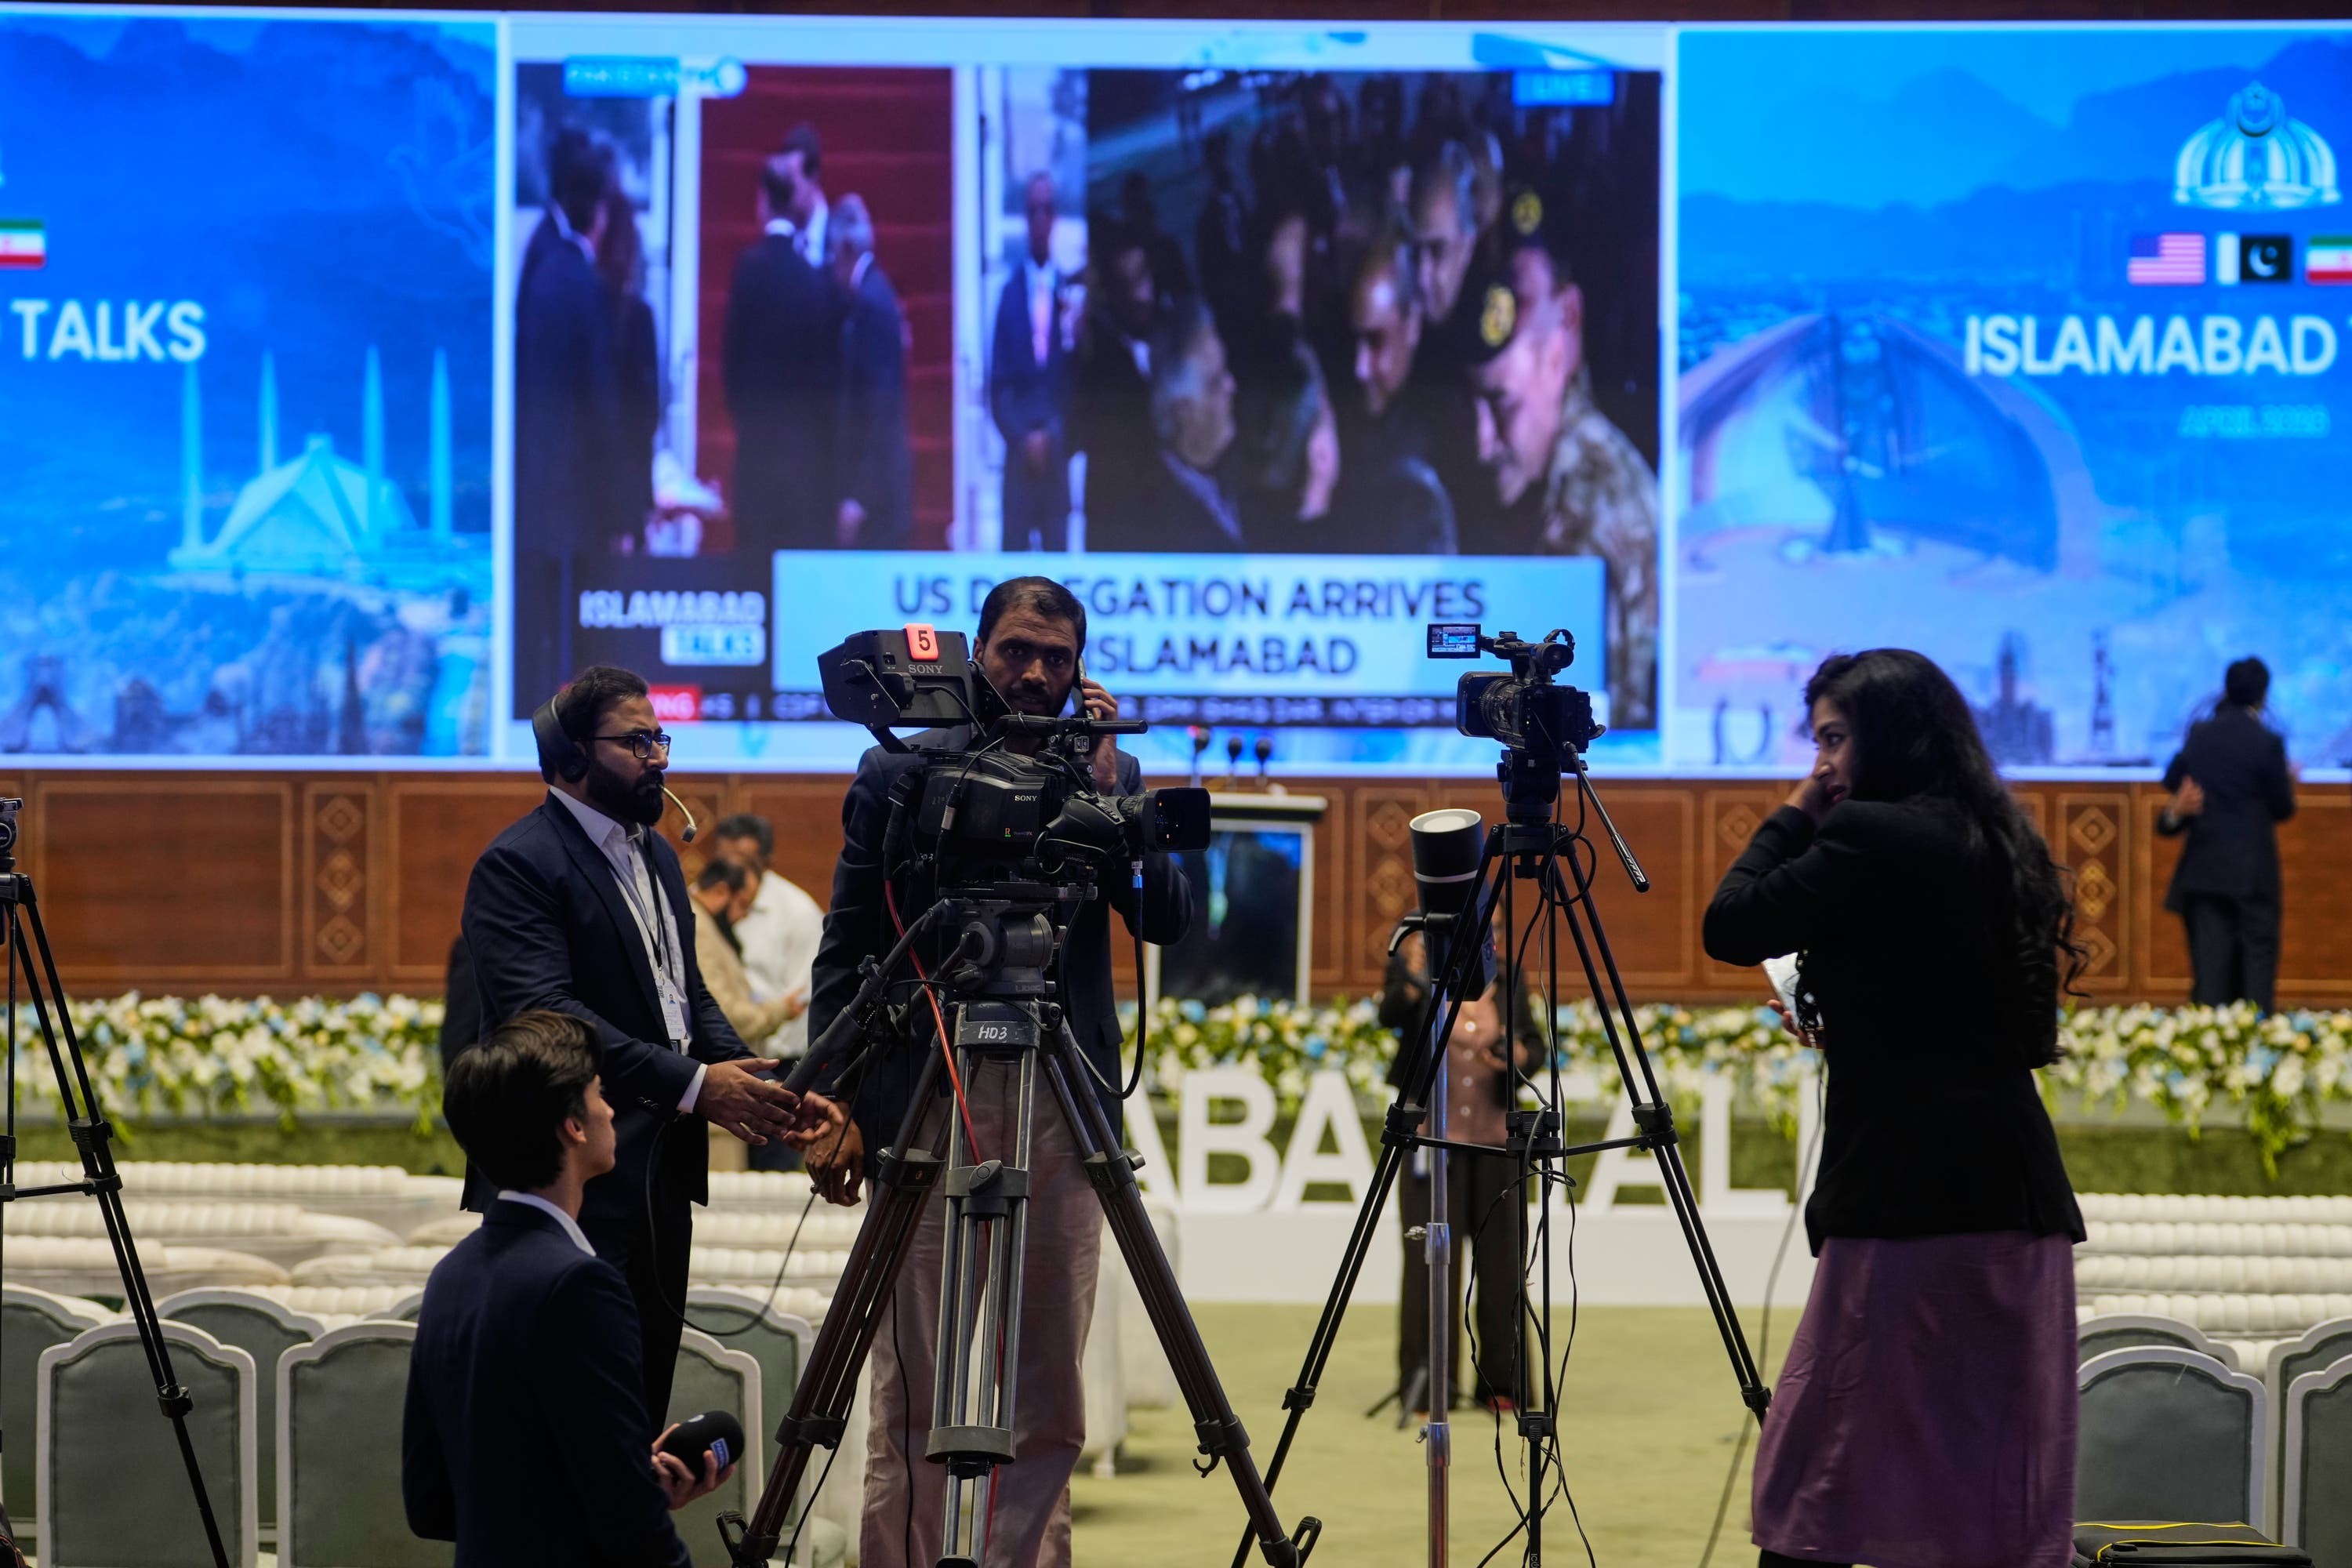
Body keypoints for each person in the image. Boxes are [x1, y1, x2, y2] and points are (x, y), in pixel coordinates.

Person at [792, 577, 1192, 1568]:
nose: (1036, 673)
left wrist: (1107, 782)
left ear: (1081, 669)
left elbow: (1169, 916)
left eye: (1057, 657)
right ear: (980, 651)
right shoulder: (902, 771)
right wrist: (829, 1092)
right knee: (913, 1389)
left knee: (1048, 1385)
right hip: (928, 1084)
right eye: (1017, 650)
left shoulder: (1106, 768)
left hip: (1063, 1091)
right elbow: (846, 947)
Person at [1703, 648, 2085, 1568]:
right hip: (2012, 1205)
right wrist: (1847, 1013)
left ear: (1888, 733)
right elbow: (1943, 1001)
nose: (1822, 761)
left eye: (1834, 739)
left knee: (1814, 1489)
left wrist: (1796, 811)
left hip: (1911, 1207)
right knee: (1989, 1496)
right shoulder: (1993, 834)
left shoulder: (1869, 832)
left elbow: (1732, 923)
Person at [460, 665, 797, 1423]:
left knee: (639, 1408)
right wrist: (694, 1084)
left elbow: (683, 996)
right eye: (636, 742)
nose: (659, 758)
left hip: (657, 1177)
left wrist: (746, 1075)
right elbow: (545, 1013)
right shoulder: (519, 863)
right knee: (571, 1421)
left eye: (660, 738)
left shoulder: (658, 857)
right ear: (572, 755)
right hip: (566, 1175)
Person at [403, 1011, 732, 1563]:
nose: (609, 1109)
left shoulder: (451, 1273)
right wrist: (626, 1488)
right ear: (573, 1126)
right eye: (600, 1093)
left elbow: (432, 1504)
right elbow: (633, 1530)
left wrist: (628, 1475)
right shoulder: (581, 1286)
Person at [1461, 224, 1659, 728]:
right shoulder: (1543, 477)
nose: (1482, 443)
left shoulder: (1589, 508)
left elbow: (1607, 730)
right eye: (1473, 404)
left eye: (1502, 405)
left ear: (1556, 360)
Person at [1377, 939, 1544, 1418]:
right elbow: (1390, 1016)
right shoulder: (1414, 962)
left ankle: (1501, 1384)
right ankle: (1430, 1383)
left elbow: (1533, 1046)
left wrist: (1513, 1054)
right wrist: (1412, 979)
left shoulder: (1507, 975)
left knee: (1501, 1267)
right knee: (1431, 1264)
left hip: (1496, 1140)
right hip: (1430, 1142)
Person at [514, 128, 624, 708]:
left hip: (540, 488)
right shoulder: (575, 279)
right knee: (557, 651)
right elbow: (601, 407)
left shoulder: (540, 255)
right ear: (596, 209)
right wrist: (624, 502)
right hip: (565, 497)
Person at [724, 125, 843, 554]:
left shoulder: (746, 270)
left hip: (755, 464)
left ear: (761, 201)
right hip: (803, 473)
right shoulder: (814, 282)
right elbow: (825, 382)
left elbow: (731, 370)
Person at [2159, 657, 2297, 1011]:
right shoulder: (2267, 742)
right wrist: (2286, 781)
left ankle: (2209, 1055)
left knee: (2210, 981)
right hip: (2253, 876)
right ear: (2263, 695)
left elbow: (2172, 778)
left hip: (2204, 872)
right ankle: (2253, 1055)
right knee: (2256, 976)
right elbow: (2283, 809)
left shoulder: (2201, 735)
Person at [1335, 235, 1457, 554]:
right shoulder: (1335, 415)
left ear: (1412, 324)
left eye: (1376, 341)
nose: (1359, 368)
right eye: (1353, 341)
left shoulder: (1454, 432)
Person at [1116, 297, 1241, 552]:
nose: (1231, 385)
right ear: (1184, 411)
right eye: (1216, 381)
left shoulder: (1233, 478)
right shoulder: (1155, 509)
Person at [991, 172, 1075, 552]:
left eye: (1047, 210)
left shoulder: (1070, 292)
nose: (1040, 219)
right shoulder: (1009, 295)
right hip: (1019, 458)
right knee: (1015, 580)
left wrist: (1053, 435)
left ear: (1055, 218)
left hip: (1056, 459)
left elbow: (1076, 381)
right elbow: (998, 384)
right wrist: (1023, 437)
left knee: (1057, 585)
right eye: (1033, 211)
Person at [707, 813, 825, 1067]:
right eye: (724, 860)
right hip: (720, 1055)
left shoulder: (799, 913)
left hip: (776, 1059)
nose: (731, 873)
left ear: (767, 863)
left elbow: (801, 999)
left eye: (743, 863)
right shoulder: (703, 907)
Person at [1069, 218, 1159, 548]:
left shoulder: (1164, 345)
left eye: (1146, 275)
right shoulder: (1101, 360)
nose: (1145, 294)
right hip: (1121, 527)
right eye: (1131, 282)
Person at [830, 193, 913, 549]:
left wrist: (859, 497)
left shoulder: (871, 303)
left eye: (832, 252)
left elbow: (881, 406)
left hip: (878, 499)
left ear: (846, 247)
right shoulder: (873, 296)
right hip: (878, 489)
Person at [596, 175, 659, 541]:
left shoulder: (590, 309)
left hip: (591, 484)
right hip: (628, 483)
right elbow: (647, 412)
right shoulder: (637, 317)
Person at [688, 858, 797, 1052]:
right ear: (721, 891)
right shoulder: (699, 929)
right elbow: (723, 1013)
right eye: (743, 903)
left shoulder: (705, 923)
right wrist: (780, 1011)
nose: (745, 915)